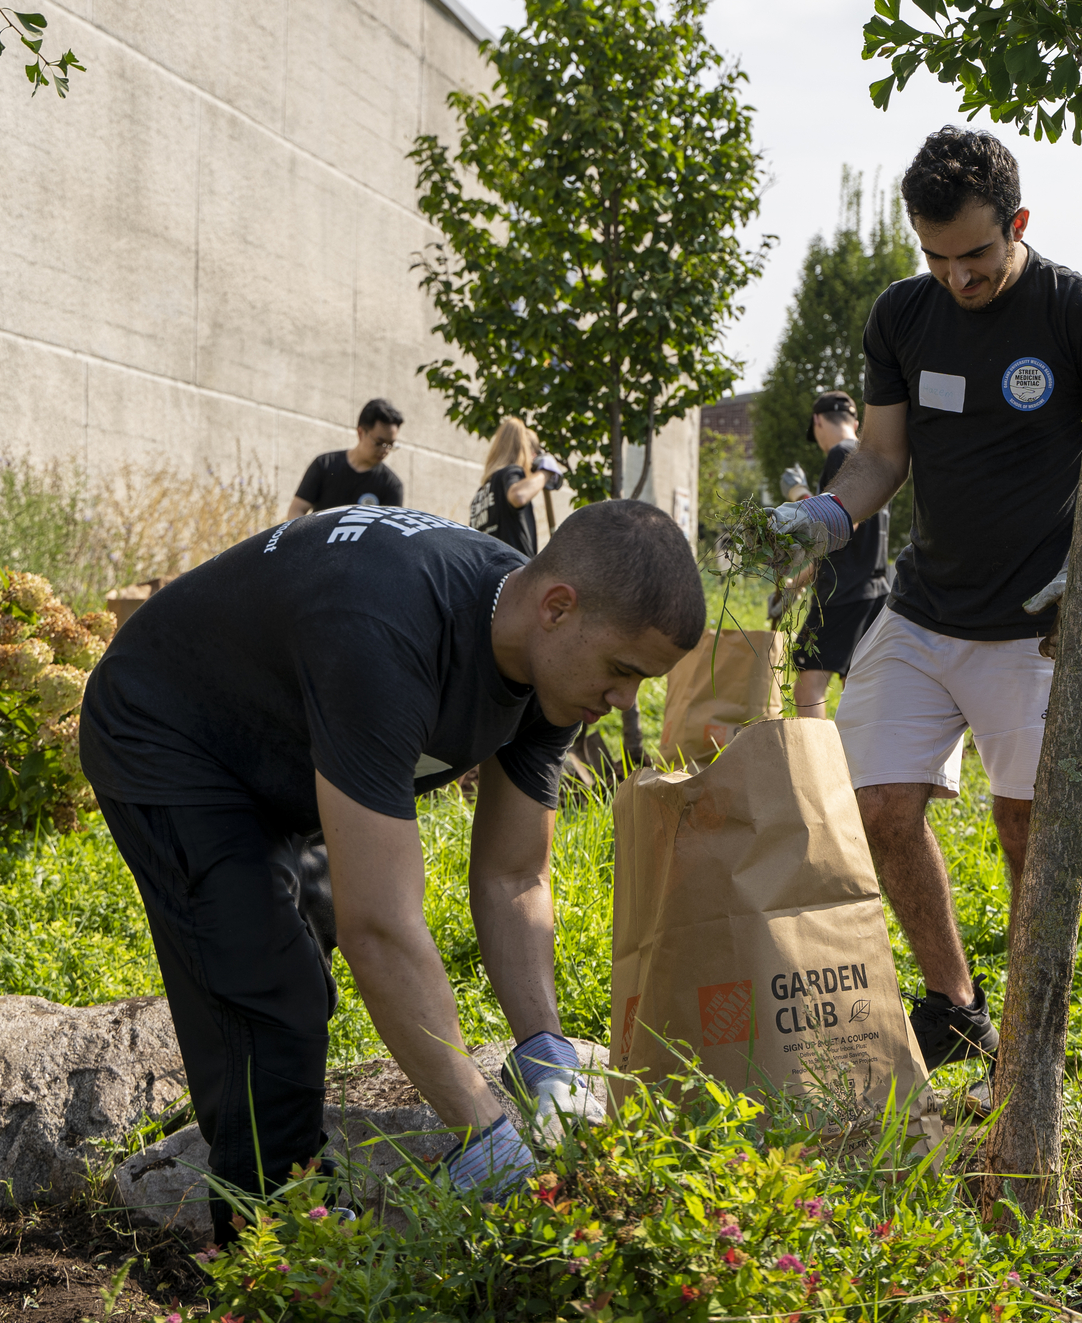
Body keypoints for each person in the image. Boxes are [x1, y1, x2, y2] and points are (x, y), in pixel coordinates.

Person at [79, 501, 705, 1244]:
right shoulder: (389, 632)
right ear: (558, 607)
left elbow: (513, 878)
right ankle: (277, 1259)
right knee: (269, 990)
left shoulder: (553, 671)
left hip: (286, 747)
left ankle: (293, 1205)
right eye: (624, 671)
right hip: (169, 727)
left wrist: (544, 1050)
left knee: (297, 954)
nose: (628, 701)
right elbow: (380, 927)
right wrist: (483, 1127)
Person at [766, 125, 1082, 1070]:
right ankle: (955, 1004)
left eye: (977, 255)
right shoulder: (901, 316)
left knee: (1023, 822)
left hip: (1038, 628)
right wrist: (828, 517)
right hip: (922, 609)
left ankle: (1036, 1029)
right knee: (876, 809)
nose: (958, 277)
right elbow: (881, 456)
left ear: (1018, 223)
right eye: (936, 256)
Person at [773, 392, 891, 719]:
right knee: (857, 686)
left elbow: (834, 531)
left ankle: (814, 769)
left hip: (843, 593)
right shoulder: (876, 461)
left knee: (808, 684)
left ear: (818, 421)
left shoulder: (840, 454)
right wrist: (796, 583)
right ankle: (857, 767)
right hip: (875, 592)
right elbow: (851, 536)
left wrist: (798, 505)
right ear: (855, 422)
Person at [467, 416, 567, 557]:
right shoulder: (511, 472)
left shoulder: (481, 493)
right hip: (513, 571)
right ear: (529, 454)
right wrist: (545, 472)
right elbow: (519, 495)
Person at [289, 399, 406, 517]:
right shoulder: (325, 464)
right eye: (379, 442)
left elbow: (388, 531)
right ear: (361, 433)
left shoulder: (392, 485)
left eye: (390, 444)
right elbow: (297, 510)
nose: (385, 450)